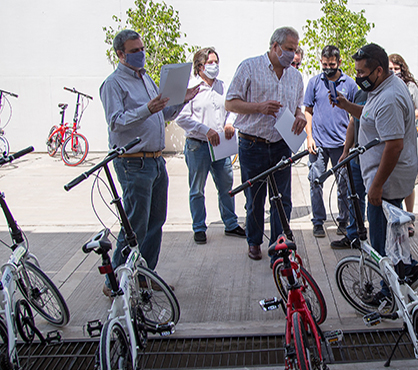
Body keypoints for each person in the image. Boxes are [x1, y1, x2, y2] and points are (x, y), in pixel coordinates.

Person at [99, 29, 200, 294]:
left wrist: (181, 101)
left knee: (156, 220)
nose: (141, 54)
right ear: (120, 54)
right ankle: (115, 280)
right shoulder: (114, 84)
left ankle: (146, 273)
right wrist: (148, 109)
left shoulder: (146, 79)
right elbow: (116, 121)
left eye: (142, 49)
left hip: (155, 161)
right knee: (135, 224)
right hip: (133, 163)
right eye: (134, 51)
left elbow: (162, 113)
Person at [332, 43, 418, 303]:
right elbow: (370, 116)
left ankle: (389, 294)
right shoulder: (380, 88)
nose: (358, 77)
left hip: (387, 181)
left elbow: (394, 146)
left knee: (382, 241)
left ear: (380, 70)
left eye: (362, 72)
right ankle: (407, 272)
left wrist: (376, 186)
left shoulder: (390, 98)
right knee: (392, 236)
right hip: (382, 178)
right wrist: (347, 106)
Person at [225, 26, 306, 261]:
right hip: (253, 145)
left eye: (295, 49)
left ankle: (278, 245)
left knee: (282, 200)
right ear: (275, 46)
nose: (293, 54)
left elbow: (298, 107)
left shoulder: (295, 76)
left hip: (282, 144)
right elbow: (230, 103)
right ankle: (254, 240)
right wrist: (258, 108)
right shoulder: (249, 67)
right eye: (289, 49)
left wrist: (300, 117)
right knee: (255, 198)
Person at [176, 47, 246, 245]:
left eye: (216, 62)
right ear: (199, 66)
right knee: (197, 189)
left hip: (221, 146)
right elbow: (181, 118)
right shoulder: (191, 88)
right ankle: (199, 227)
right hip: (198, 146)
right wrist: (205, 130)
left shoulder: (222, 87)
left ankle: (231, 224)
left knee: (226, 186)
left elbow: (232, 107)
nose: (214, 66)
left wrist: (230, 122)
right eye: (210, 63)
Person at [304, 45, 358, 238]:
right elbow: (308, 111)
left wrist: (349, 143)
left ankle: (343, 220)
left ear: (339, 63)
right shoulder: (314, 83)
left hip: (341, 146)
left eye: (331, 65)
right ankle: (318, 221)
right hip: (318, 144)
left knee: (343, 184)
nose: (327, 68)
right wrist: (309, 137)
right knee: (315, 182)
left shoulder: (350, 84)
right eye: (324, 64)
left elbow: (355, 114)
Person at [389, 53, 418, 237]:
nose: (394, 72)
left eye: (397, 68)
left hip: (408, 138)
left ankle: (409, 219)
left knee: (410, 181)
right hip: (392, 138)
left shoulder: (410, 86)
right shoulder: (385, 87)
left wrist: (408, 114)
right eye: (390, 69)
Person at [330, 89, 368, 249]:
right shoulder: (360, 94)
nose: (360, 76)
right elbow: (353, 122)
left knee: (380, 201)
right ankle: (354, 236)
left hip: (376, 159)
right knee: (355, 199)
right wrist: (346, 151)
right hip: (357, 157)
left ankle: (385, 242)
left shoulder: (384, 93)